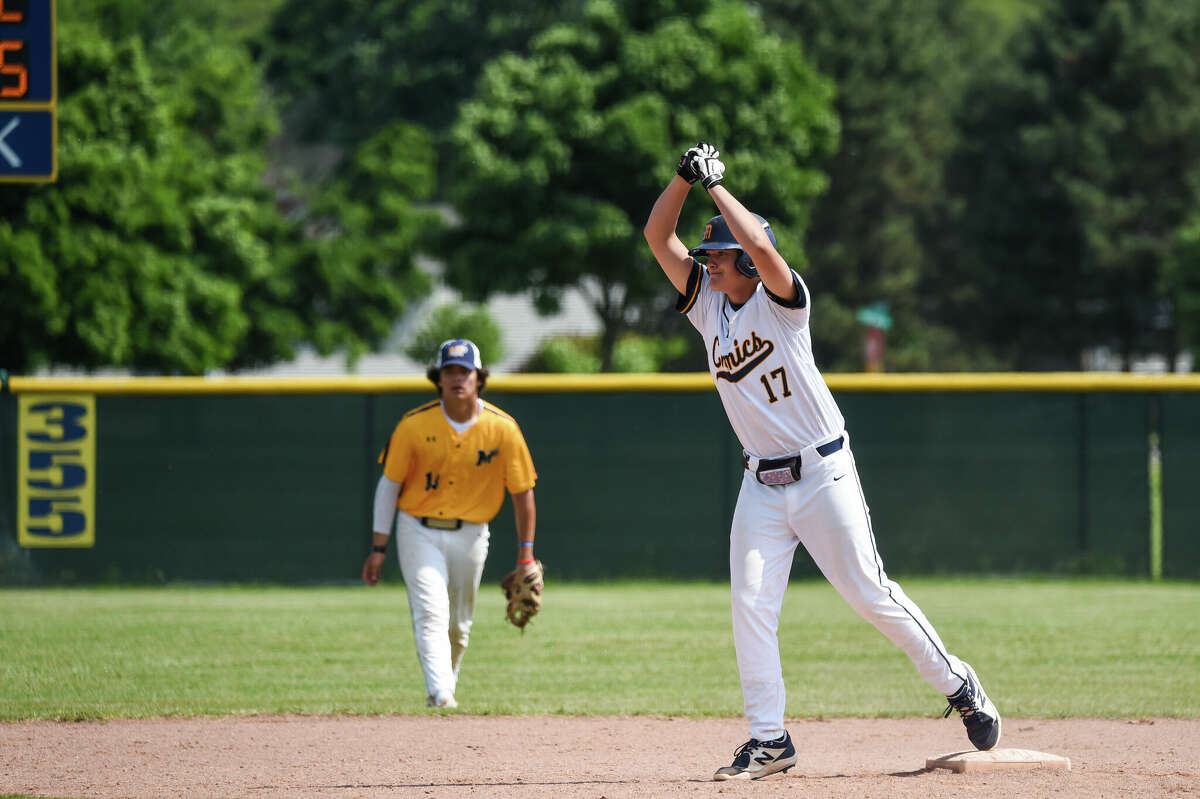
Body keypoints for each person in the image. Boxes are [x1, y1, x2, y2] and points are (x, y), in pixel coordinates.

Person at [643, 143, 1001, 780]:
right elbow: (656, 234)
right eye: (710, 259)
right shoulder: (707, 310)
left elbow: (761, 250)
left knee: (868, 594)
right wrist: (683, 178)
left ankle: (958, 684)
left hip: (821, 472)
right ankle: (769, 739)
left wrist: (717, 187)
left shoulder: (783, 301)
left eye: (719, 256)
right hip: (760, 482)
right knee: (750, 604)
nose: (710, 266)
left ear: (746, 262)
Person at [362, 338, 538, 709]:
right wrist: (379, 548)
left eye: (464, 371)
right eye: (449, 371)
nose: (457, 378)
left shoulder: (502, 429)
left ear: (479, 378)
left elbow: (522, 492)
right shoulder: (413, 426)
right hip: (418, 530)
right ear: (438, 379)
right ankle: (441, 694)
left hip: (472, 534)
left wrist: (526, 554)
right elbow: (388, 487)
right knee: (431, 612)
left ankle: (444, 687)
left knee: (458, 627)